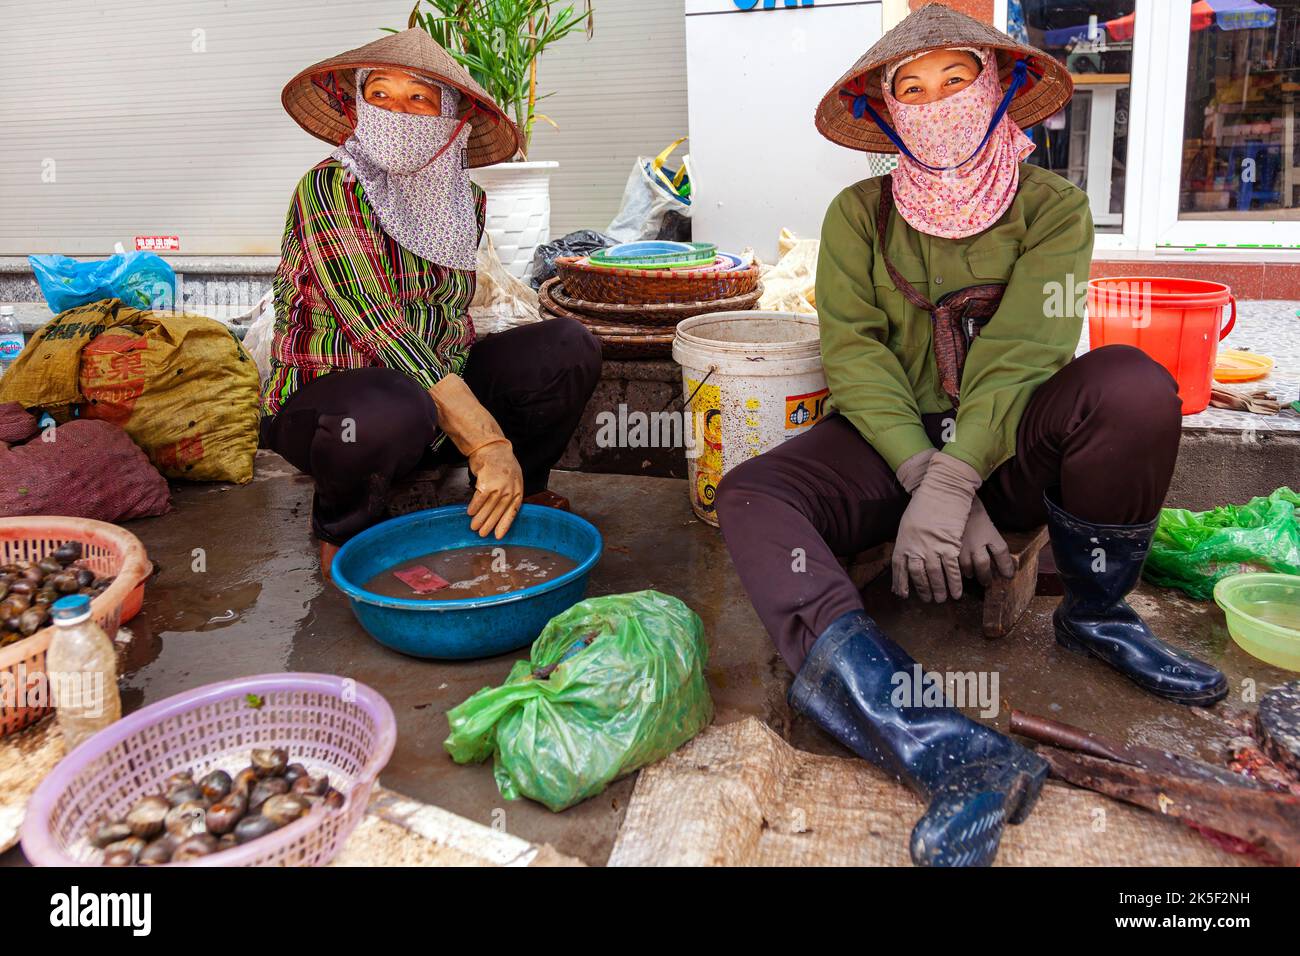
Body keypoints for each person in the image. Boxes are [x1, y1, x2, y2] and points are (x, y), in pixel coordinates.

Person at [715, 4, 1227, 867]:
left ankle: (1099, 615)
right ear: (885, 114)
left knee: (1135, 387)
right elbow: (855, 352)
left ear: (998, 88)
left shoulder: (1052, 207)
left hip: (1012, 440)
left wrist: (962, 482)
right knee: (753, 495)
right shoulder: (857, 216)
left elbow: (1031, 346)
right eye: (909, 90)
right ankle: (940, 743)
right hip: (892, 444)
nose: (935, 102)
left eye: (955, 79)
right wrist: (922, 472)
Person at [269, 29, 601, 574]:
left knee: (567, 345)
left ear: (450, 119)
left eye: (419, 99)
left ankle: (513, 491)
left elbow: (450, 317)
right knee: (388, 408)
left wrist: (478, 432)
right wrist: (486, 437)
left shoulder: (464, 198)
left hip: (433, 396)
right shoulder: (330, 187)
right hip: (335, 404)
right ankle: (346, 525)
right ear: (356, 107)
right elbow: (378, 326)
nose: (398, 112)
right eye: (379, 95)